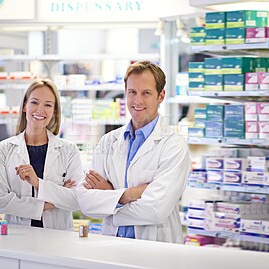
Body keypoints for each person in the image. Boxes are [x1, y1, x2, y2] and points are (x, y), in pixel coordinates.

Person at [77, 60, 191, 243]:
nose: (137, 100)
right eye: (132, 92)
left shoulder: (173, 145)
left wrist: (110, 197)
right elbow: (86, 203)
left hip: (154, 250)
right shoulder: (108, 141)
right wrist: (130, 194)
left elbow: (155, 210)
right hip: (111, 244)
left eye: (146, 93)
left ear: (160, 96)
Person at [0, 79, 84, 231]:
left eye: (47, 105)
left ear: (54, 112)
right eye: (34, 102)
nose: (40, 110)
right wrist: (52, 202)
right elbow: (0, 202)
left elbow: (77, 199)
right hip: (17, 237)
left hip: (57, 239)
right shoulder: (2, 150)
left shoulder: (68, 150)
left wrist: (38, 183)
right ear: (25, 106)